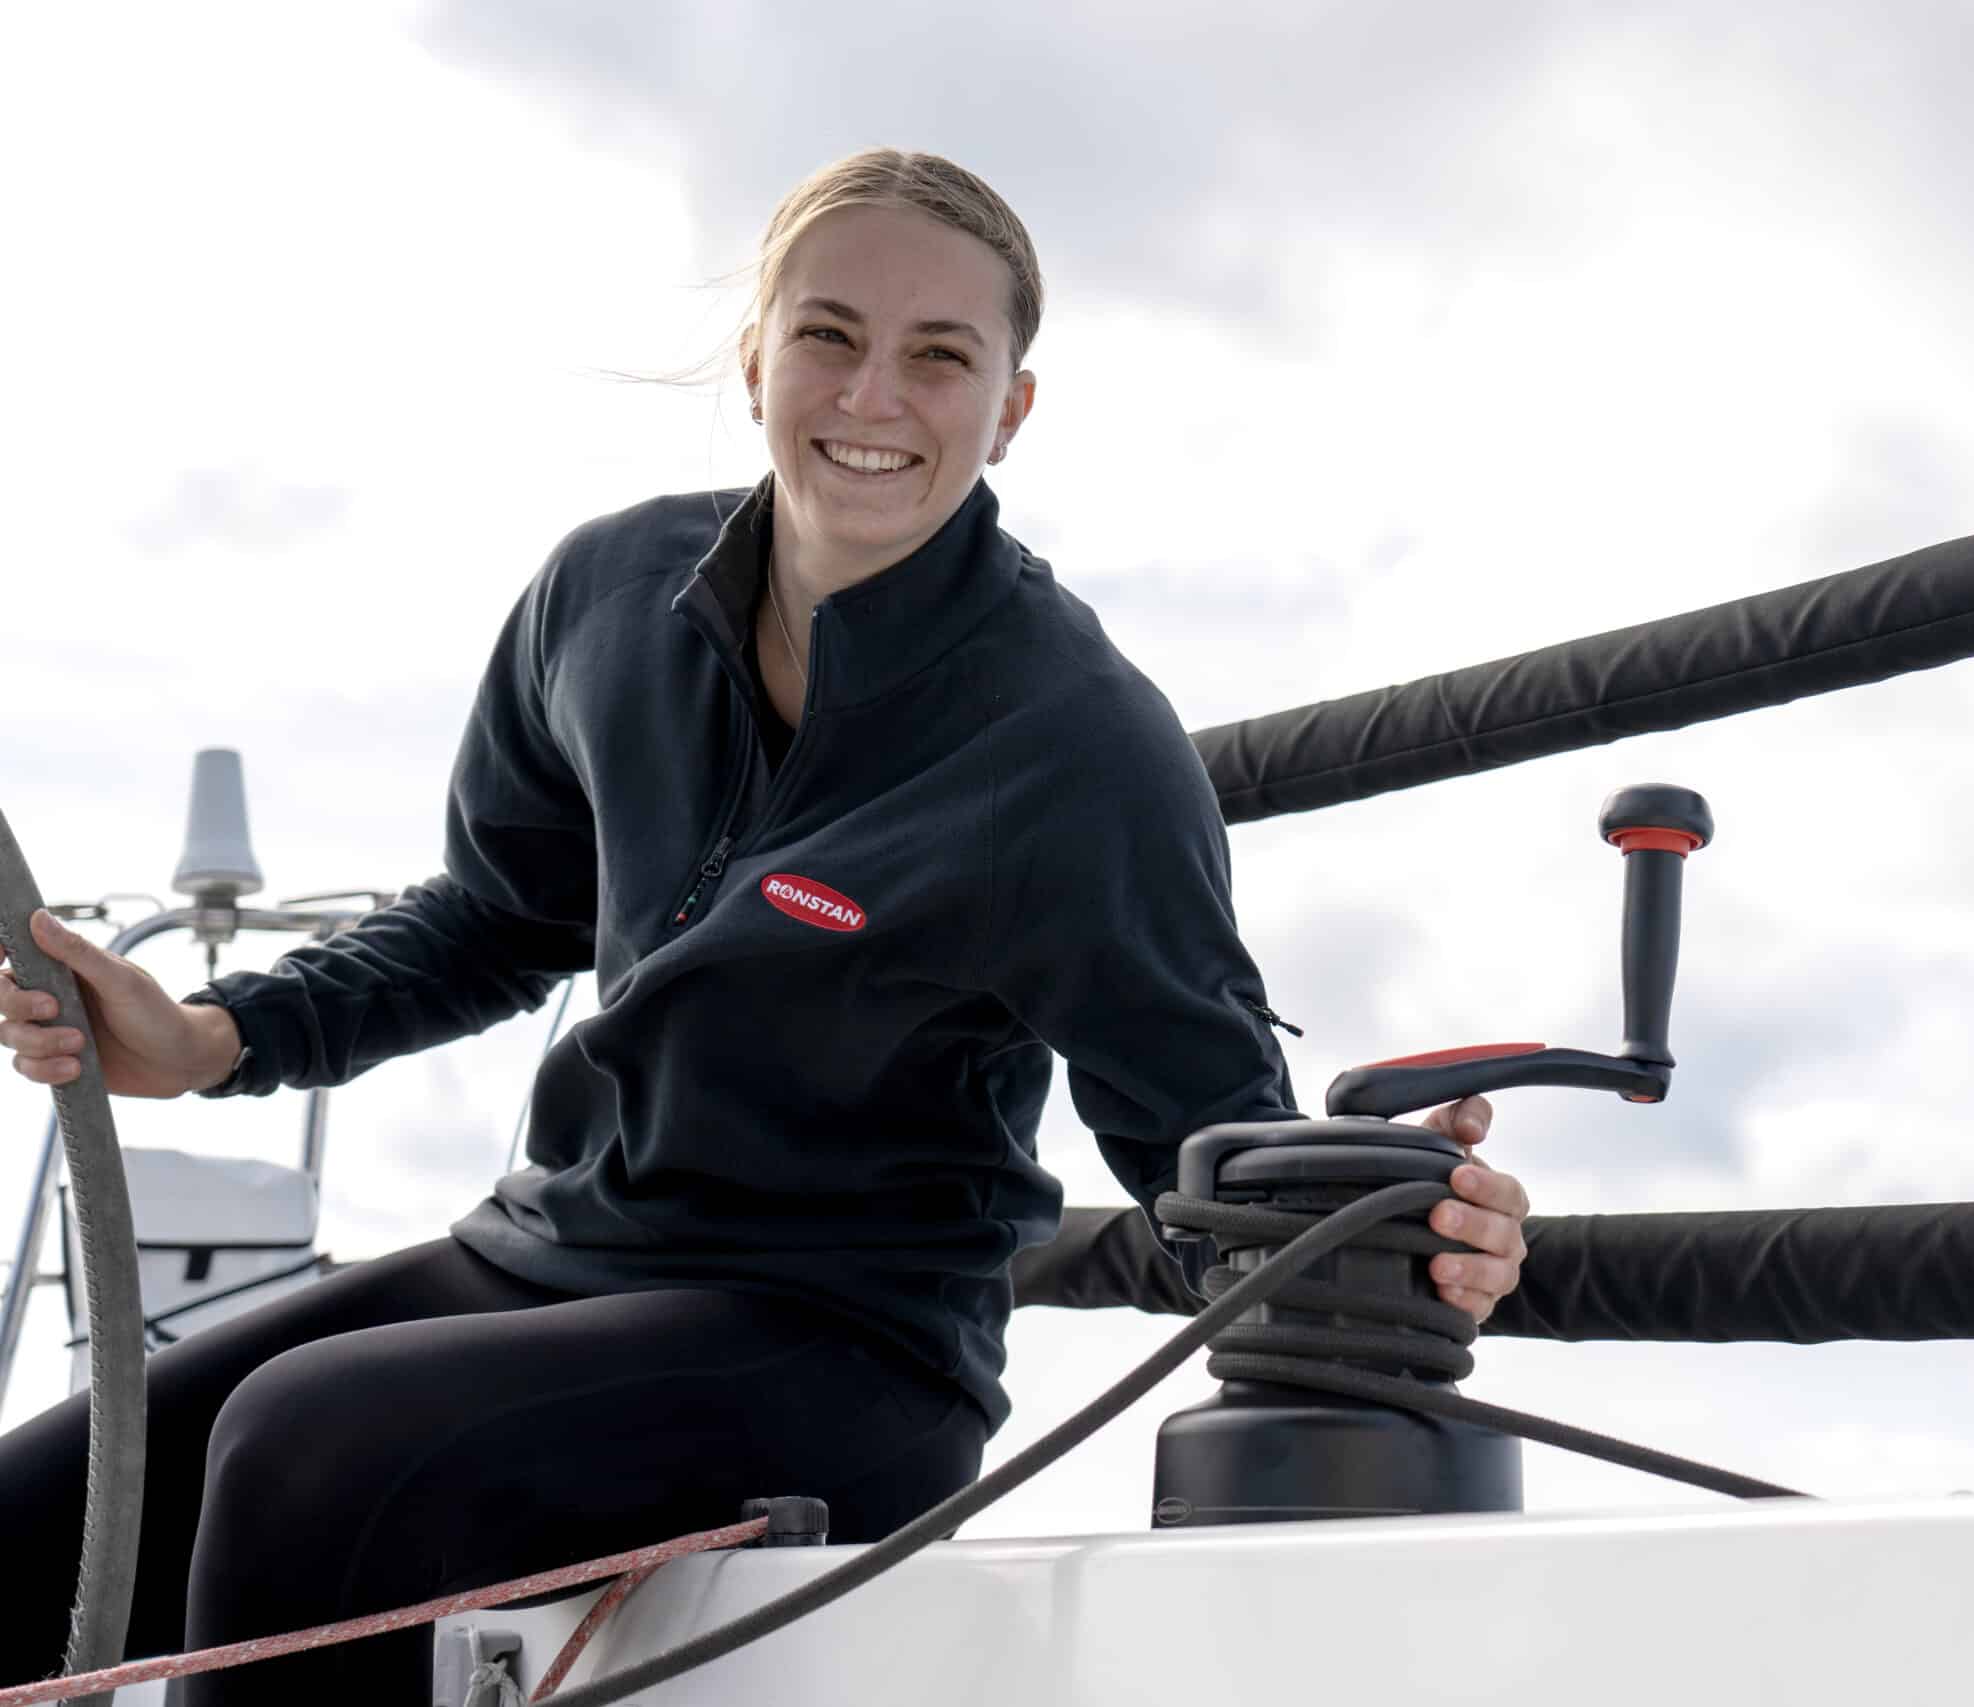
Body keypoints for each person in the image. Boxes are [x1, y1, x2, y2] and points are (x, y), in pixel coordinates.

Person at [0, 148, 1533, 1700]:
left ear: (1009, 409)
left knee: (311, 1447)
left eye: (940, 357)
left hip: (844, 1341)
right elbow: (494, 917)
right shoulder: (604, 595)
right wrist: (214, 1039)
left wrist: (1392, 1246)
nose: (873, 396)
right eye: (829, 335)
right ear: (756, 361)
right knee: (24, 1520)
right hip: (546, 1259)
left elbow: (1207, 1135)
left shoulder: (1074, 745)